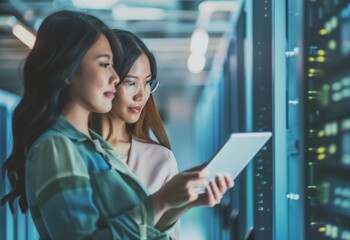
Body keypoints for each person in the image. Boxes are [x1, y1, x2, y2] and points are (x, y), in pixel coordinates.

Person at [0, 10, 209, 239]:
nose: (115, 77)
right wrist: (161, 201)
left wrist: (181, 203)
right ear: (67, 71)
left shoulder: (95, 147)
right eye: (104, 65)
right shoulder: (56, 146)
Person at [90, 29, 234, 239]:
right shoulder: (73, 150)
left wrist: (187, 204)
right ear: (108, 81)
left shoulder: (161, 159)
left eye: (147, 83)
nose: (142, 95)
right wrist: (161, 201)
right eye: (131, 83)